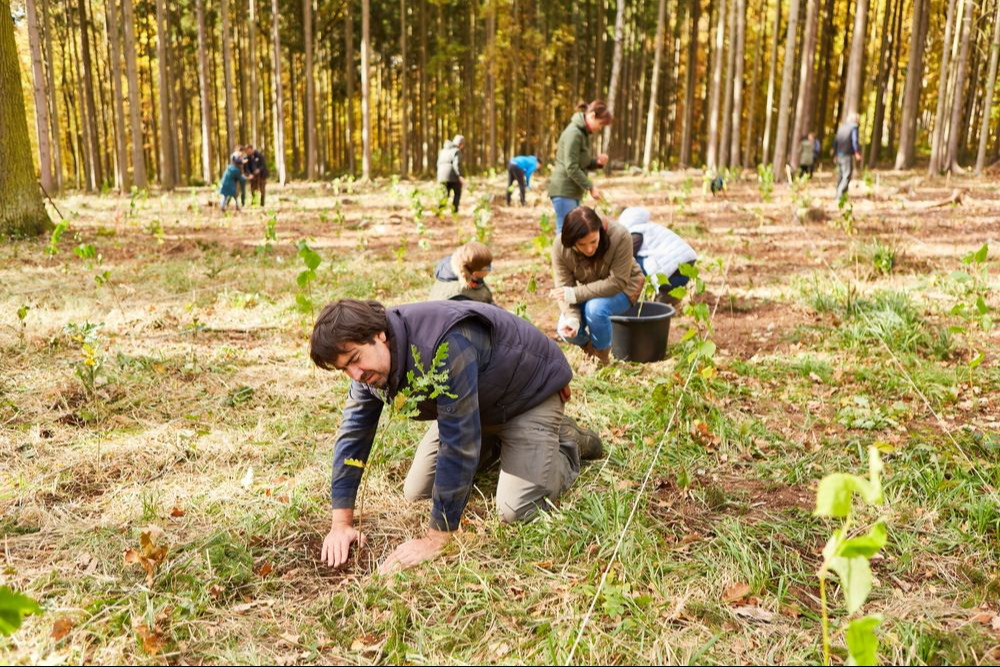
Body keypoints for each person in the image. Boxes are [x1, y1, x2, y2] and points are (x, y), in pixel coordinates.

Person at [310, 299, 603, 574]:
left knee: (517, 508)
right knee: (417, 491)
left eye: (355, 360)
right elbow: (353, 434)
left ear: (379, 335)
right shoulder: (368, 371)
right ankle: (504, 445)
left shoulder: (442, 344)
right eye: (344, 369)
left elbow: (459, 441)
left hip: (527, 397)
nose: (355, 374)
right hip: (472, 405)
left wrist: (437, 538)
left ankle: (564, 440)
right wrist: (341, 523)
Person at [550, 206, 644, 366]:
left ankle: (602, 359)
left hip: (626, 287)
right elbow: (564, 287)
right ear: (572, 242)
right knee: (565, 329)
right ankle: (590, 350)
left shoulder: (619, 236)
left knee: (595, 309)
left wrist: (575, 293)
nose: (589, 249)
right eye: (582, 244)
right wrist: (572, 318)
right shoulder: (560, 247)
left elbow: (618, 281)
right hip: (591, 289)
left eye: (594, 241)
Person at [548, 101, 613, 233]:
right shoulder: (574, 133)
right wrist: (590, 186)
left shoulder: (583, 134)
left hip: (573, 192)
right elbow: (571, 167)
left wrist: (598, 162)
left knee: (574, 232)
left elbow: (582, 162)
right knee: (565, 232)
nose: (600, 128)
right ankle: (559, 255)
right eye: (600, 124)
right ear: (592, 116)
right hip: (564, 190)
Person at [617, 207, 697, 307]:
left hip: (674, 263)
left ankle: (644, 300)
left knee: (632, 263)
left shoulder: (635, 232)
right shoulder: (649, 228)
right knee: (671, 282)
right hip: (686, 261)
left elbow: (626, 257)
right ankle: (665, 300)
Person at [428, 241, 495, 304]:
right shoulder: (460, 296)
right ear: (474, 273)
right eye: (488, 267)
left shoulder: (452, 273)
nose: (491, 268)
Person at [834, 113, 862, 201]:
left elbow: (836, 141)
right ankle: (840, 196)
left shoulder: (842, 127)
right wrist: (857, 152)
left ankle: (839, 195)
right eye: (858, 120)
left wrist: (835, 154)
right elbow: (855, 140)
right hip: (847, 155)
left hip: (839, 154)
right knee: (847, 175)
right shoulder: (854, 128)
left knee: (841, 175)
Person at [437, 134, 466, 213]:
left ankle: (440, 211)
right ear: (461, 144)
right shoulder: (457, 151)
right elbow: (456, 164)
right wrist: (460, 176)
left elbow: (438, 163)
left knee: (444, 194)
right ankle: (454, 211)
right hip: (452, 176)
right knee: (457, 193)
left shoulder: (443, 150)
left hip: (441, 176)